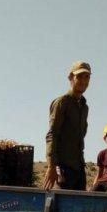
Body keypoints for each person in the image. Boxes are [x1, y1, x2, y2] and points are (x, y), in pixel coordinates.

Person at [42, 61, 91, 191]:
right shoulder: (62, 102)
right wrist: (52, 166)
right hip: (63, 168)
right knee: (59, 206)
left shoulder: (84, 106)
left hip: (78, 168)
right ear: (71, 77)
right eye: (79, 76)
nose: (83, 80)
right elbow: (52, 134)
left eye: (87, 77)